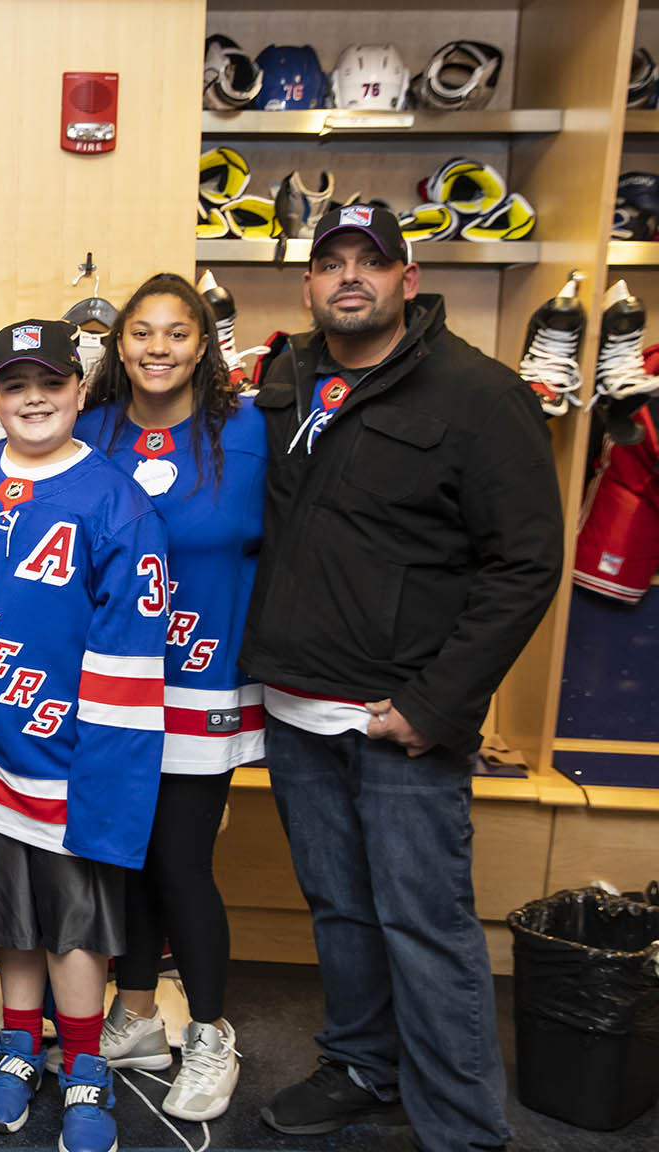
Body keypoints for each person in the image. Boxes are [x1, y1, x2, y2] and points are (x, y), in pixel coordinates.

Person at [240, 205, 563, 1150]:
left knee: (425, 925)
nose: (351, 278)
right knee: (340, 908)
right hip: (299, 704)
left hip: (401, 717)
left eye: (369, 263)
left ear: (407, 280)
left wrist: (434, 704)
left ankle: (463, 1128)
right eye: (331, 262)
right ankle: (361, 1064)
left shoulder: (480, 394)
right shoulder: (286, 378)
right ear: (307, 284)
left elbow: (526, 567)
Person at [0, 318, 168, 1152]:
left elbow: (133, 653)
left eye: (51, 383)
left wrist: (104, 772)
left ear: (79, 392)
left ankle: (82, 1063)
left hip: (70, 752)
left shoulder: (116, 501)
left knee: (76, 919)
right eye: (15, 384)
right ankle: (16, 1047)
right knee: (9, 913)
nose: (33, 397)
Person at [76, 273, 267, 1122]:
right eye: (142, 333)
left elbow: (275, 545)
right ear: (119, 347)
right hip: (114, 684)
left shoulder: (245, 430)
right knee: (127, 856)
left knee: (181, 861)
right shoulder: (92, 430)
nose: (158, 348)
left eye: (177, 333)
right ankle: (139, 1015)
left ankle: (213, 1035)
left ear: (204, 345)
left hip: (203, 678)